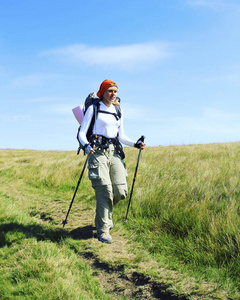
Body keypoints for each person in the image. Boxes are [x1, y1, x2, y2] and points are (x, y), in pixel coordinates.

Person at [78, 79, 145, 244]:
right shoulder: (94, 108)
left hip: (114, 151)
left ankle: (105, 216)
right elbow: (82, 132)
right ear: (103, 92)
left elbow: (121, 136)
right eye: (110, 90)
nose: (113, 93)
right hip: (96, 151)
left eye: (115, 91)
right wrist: (86, 146)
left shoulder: (118, 111)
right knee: (104, 190)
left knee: (120, 191)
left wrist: (135, 144)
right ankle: (103, 230)